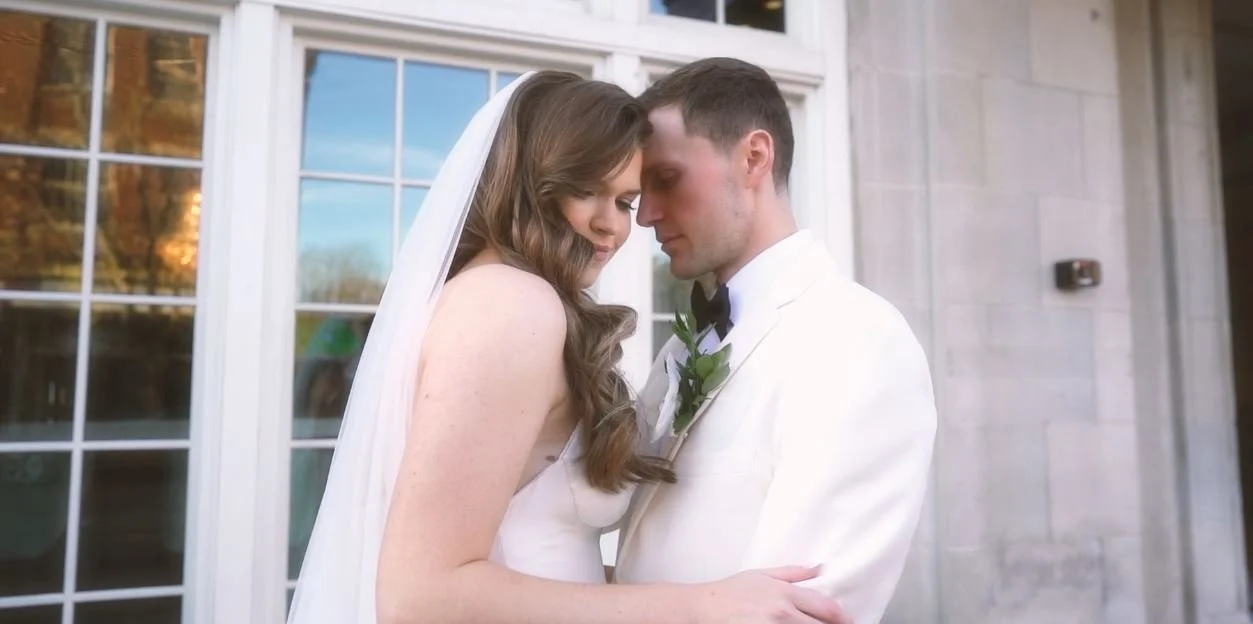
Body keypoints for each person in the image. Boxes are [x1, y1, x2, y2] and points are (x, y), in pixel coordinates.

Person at [286, 70, 849, 624]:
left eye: (624, 201)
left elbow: (538, 561)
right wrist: (703, 607)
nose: (613, 227)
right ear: (530, 181)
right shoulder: (511, 304)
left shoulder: (494, 295)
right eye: (586, 190)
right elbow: (420, 596)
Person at [613, 57, 938, 624]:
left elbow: (805, 607)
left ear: (754, 157)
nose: (646, 216)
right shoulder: (680, 350)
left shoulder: (857, 339)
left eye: (666, 179)